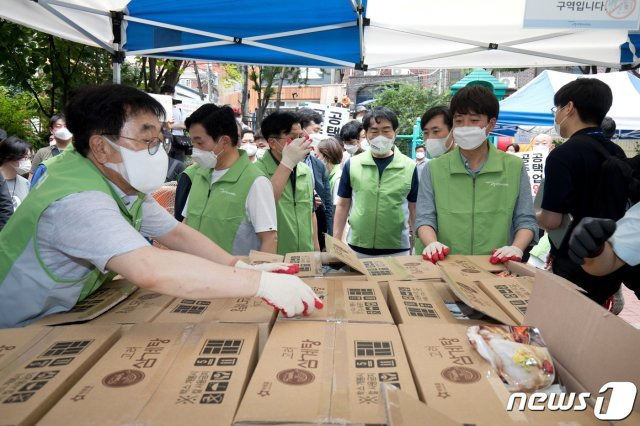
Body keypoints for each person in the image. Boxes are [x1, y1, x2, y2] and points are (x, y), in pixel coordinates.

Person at [0, 84, 321, 328]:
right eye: (146, 141)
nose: (158, 153)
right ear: (100, 146)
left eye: (160, 140)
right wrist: (259, 284)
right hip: (16, 324)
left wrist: (238, 266)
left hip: (58, 313)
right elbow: (149, 269)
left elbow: (176, 233)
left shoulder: (113, 179)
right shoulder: (77, 201)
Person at [416, 85, 537, 263]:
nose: (465, 127)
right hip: (446, 264)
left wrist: (516, 247)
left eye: (473, 120)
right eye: (458, 121)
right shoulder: (434, 168)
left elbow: (526, 219)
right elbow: (425, 217)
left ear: (491, 124)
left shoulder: (514, 166)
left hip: (496, 265)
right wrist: (432, 243)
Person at [537, 78, 631, 305]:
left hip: (574, 262)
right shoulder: (616, 151)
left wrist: (535, 213)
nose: (556, 115)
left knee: (569, 326)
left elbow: (551, 220)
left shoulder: (563, 155)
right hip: (610, 259)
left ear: (568, 108)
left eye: (557, 109)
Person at [180, 104, 278, 255]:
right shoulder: (200, 174)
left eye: (199, 142)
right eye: (192, 142)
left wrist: (259, 276)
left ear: (224, 141)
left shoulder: (255, 181)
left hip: (232, 275)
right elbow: (186, 222)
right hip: (194, 271)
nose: (195, 150)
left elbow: (269, 239)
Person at [333, 107, 418, 258]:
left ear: (395, 133)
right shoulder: (352, 164)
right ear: (365, 134)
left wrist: (418, 246)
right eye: (374, 131)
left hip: (397, 249)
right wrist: (336, 241)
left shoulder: (409, 166)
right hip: (358, 248)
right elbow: (343, 205)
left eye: (386, 130)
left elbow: (414, 208)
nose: (381, 136)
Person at [256, 111, 318, 255]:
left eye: (300, 137)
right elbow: (267, 204)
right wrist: (287, 163)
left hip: (305, 254)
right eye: (292, 138)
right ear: (272, 142)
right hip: (275, 255)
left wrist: (316, 250)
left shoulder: (304, 170)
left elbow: (311, 212)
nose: (299, 142)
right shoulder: (257, 171)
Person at [298, 108, 334, 247]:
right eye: (316, 130)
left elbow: (328, 204)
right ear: (301, 130)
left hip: (317, 231)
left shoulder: (318, 165)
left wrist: (329, 236)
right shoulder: (286, 162)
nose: (319, 135)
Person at [0, 136, 31, 211]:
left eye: (30, 157)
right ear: (11, 157)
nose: (29, 161)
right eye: (26, 157)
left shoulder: (26, 183)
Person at [315, 136, 343, 213]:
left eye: (317, 156)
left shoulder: (338, 178)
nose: (315, 160)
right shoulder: (329, 175)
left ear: (326, 157)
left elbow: (337, 210)